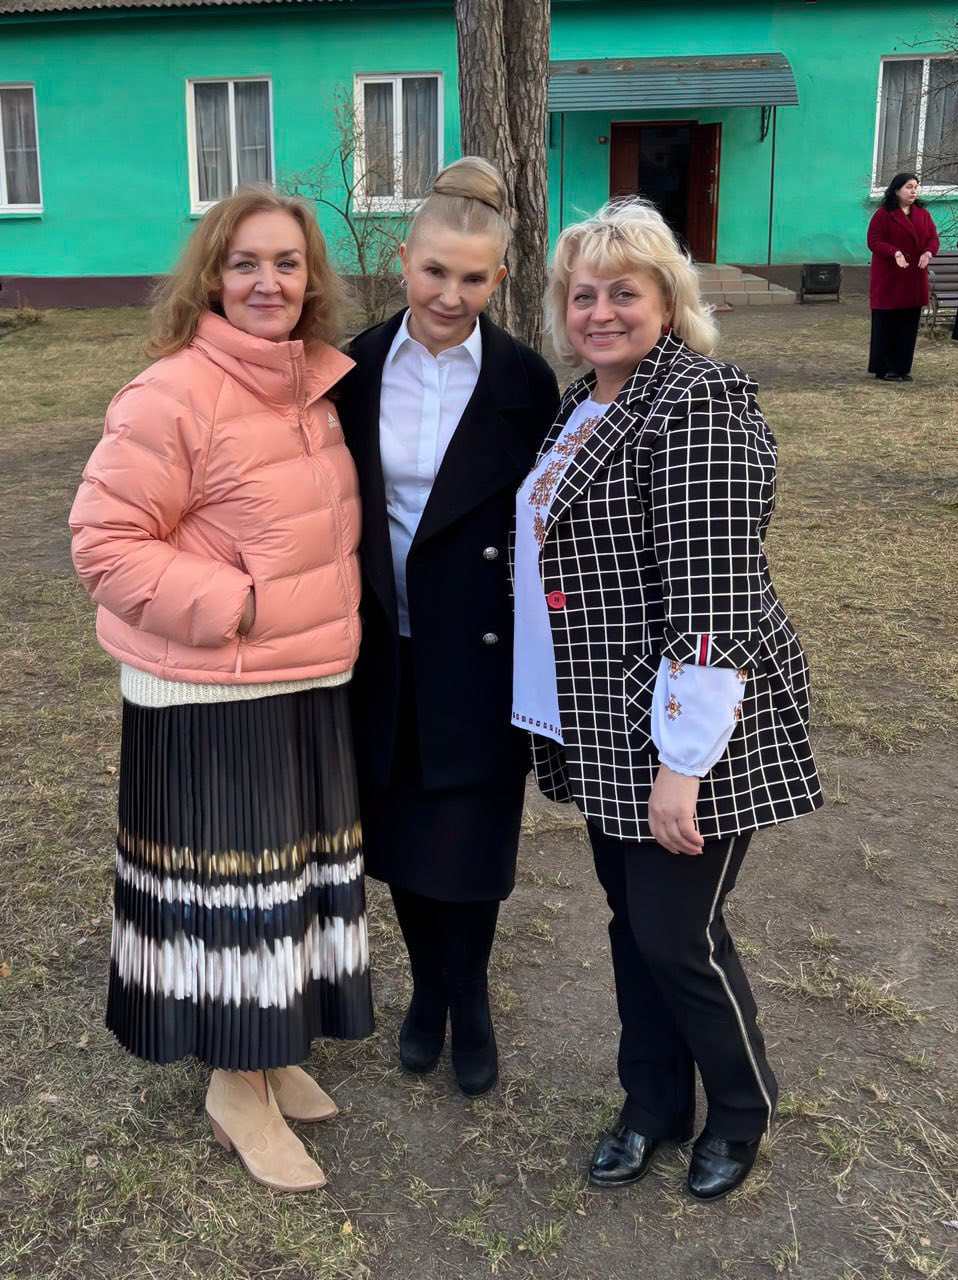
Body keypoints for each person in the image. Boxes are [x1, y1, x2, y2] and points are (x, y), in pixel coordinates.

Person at [512, 199, 822, 1201]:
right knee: (630, 923)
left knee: (675, 935)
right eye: (583, 295)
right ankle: (650, 1105)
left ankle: (739, 1110)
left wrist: (681, 767)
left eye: (624, 292)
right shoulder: (583, 405)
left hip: (699, 724)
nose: (601, 312)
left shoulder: (697, 402)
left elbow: (713, 598)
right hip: (609, 723)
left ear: (667, 300)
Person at [69, 188, 373, 1193]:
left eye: (287, 262)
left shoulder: (308, 386)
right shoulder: (172, 393)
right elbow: (103, 543)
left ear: (311, 278)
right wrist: (236, 605)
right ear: (212, 277)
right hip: (213, 692)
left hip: (302, 676)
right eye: (245, 263)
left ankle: (270, 1052)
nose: (267, 282)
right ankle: (237, 1088)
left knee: (287, 884)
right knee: (241, 894)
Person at [339, 158, 559, 1097]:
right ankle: (427, 990)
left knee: (469, 844)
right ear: (403, 259)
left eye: (473, 278)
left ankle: (469, 997)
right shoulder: (351, 368)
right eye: (434, 271)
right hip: (382, 648)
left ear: (499, 278)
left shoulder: (525, 381)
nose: (449, 295)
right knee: (399, 839)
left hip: (480, 654)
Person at [867, 173, 939, 381]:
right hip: (890, 277)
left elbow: (933, 238)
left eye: (915, 187)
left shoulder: (922, 214)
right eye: (908, 187)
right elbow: (874, 241)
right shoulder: (883, 214)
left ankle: (902, 367)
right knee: (887, 324)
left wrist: (927, 253)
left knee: (908, 325)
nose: (913, 191)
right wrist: (894, 252)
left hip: (914, 277)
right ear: (897, 190)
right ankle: (884, 368)